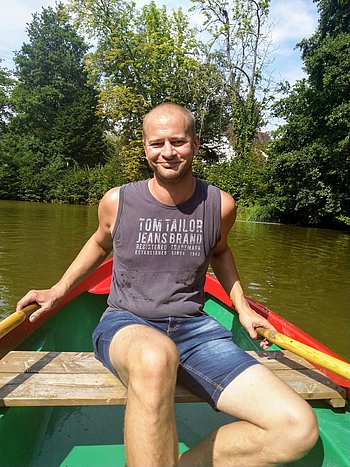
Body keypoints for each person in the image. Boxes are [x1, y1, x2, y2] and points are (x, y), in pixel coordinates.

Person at [17, 102, 318, 467]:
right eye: (157, 143)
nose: (168, 152)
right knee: (156, 356)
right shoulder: (117, 201)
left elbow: (220, 252)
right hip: (127, 324)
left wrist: (242, 309)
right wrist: (58, 290)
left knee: (297, 429)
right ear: (145, 148)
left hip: (196, 330)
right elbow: (99, 243)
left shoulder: (221, 205)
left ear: (196, 143)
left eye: (178, 141)